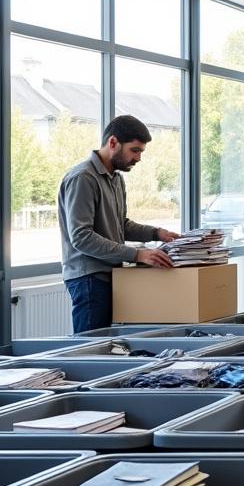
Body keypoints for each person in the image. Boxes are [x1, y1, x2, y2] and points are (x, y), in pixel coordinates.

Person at [58, 115, 181, 333]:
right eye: (135, 150)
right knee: (91, 348)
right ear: (113, 142)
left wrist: (157, 233)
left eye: (141, 152)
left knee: (109, 345)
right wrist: (137, 255)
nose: (138, 158)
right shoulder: (83, 178)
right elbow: (81, 237)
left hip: (110, 276)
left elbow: (120, 225)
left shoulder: (116, 178)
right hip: (89, 279)